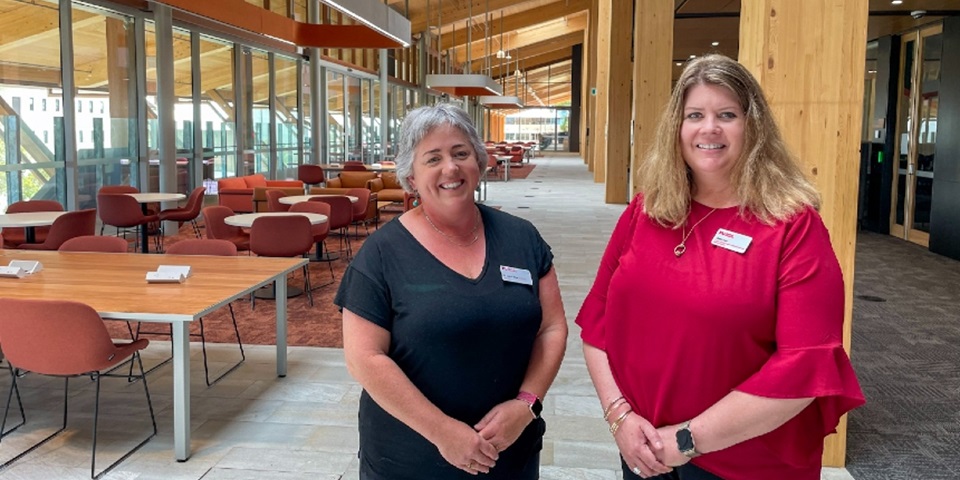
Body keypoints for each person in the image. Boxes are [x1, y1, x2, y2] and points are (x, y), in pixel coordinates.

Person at [576, 54, 865, 480]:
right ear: (678, 127)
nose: (709, 128)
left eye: (726, 114)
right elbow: (597, 320)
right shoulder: (647, 209)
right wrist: (620, 417)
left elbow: (806, 365)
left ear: (753, 127)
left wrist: (687, 440)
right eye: (695, 115)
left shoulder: (792, 226)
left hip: (744, 462)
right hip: (642, 448)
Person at [336, 103, 568, 479]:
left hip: (509, 450)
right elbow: (364, 358)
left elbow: (552, 328)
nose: (451, 168)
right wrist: (441, 431)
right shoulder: (381, 254)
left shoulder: (522, 237)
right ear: (411, 177)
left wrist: (526, 404)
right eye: (433, 158)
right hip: (410, 457)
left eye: (461, 153)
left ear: (479, 161)